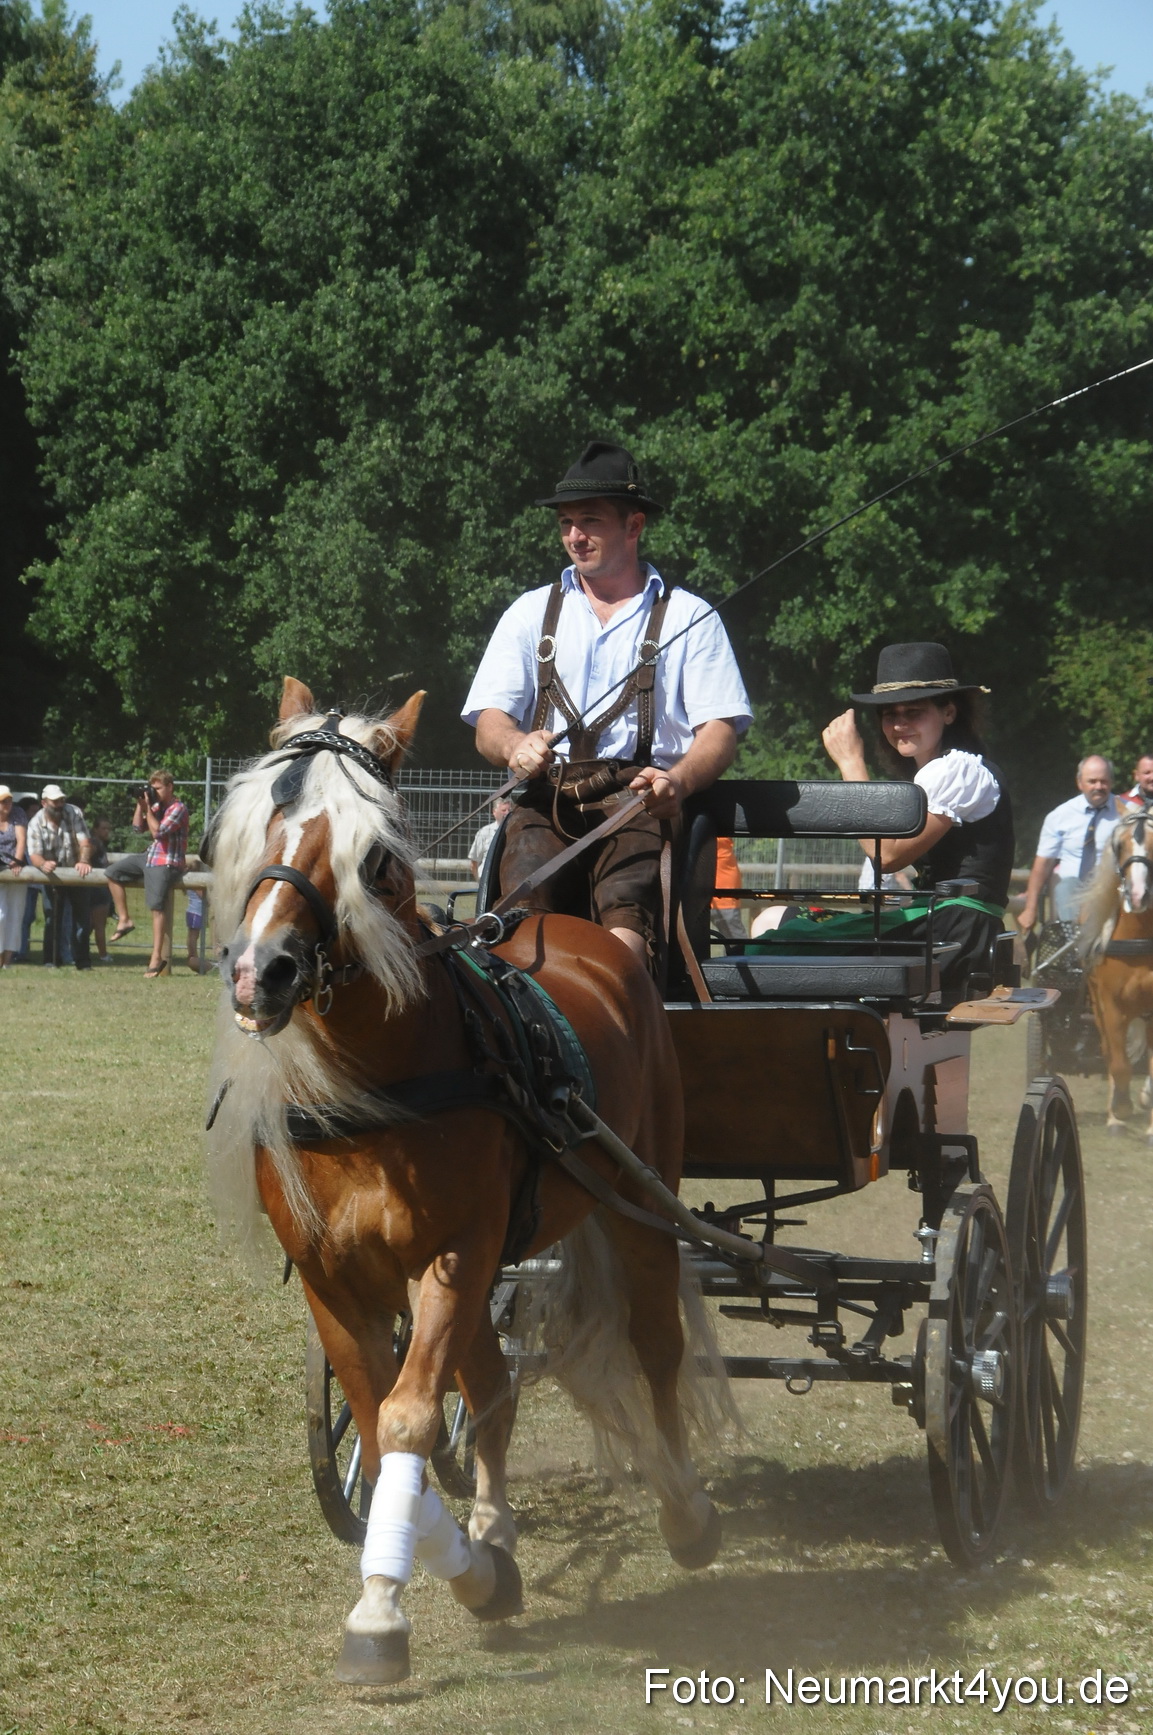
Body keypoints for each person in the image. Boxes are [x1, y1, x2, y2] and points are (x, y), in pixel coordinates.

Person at [462, 441, 751, 969]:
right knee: (522, 914)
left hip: (640, 805)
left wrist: (677, 782)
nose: (574, 535)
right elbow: (488, 721)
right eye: (566, 522)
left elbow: (720, 732)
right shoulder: (530, 614)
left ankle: (622, 1024)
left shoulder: (691, 616)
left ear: (634, 526)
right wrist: (514, 744)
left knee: (628, 913)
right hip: (545, 804)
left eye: (590, 521)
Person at [818, 642, 1014, 993]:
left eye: (914, 712)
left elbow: (887, 857)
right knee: (785, 925)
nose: (900, 724)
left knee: (786, 937)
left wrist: (851, 764)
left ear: (949, 712)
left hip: (955, 933)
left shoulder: (957, 770)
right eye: (890, 714)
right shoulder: (935, 774)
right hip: (946, 925)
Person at [1018, 755, 1126, 929]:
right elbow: (1043, 863)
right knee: (1066, 885)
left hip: (1111, 890)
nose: (1098, 786)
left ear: (1112, 782)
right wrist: (1030, 908)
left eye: (1104, 781)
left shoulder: (1127, 814)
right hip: (1071, 892)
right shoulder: (1060, 816)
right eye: (1092, 781)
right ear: (1080, 782)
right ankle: (1072, 942)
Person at [104, 770, 189, 975]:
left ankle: (156, 956)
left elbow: (158, 832)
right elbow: (136, 828)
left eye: (158, 788)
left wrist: (149, 809)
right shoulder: (156, 805)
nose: (155, 792)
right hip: (150, 856)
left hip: (167, 861)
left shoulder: (178, 808)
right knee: (112, 872)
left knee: (156, 908)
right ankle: (124, 919)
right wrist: (141, 805)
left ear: (170, 787)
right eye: (153, 788)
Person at [26, 784, 94, 969]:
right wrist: (43, 864)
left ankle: (83, 961)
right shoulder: (35, 824)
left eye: (62, 800)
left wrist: (84, 861)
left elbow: (85, 842)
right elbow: (34, 855)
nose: (60, 804)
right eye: (55, 801)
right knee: (52, 918)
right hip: (52, 875)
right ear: (44, 803)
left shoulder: (74, 813)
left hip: (76, 872)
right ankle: (51, 960)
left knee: (82, 919)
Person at [0, 785, 28, 969]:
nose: (7, 804)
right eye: (3, 801)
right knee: (0, 915)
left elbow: (21, 839)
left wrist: (17, 860)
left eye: (8, 799)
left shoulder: (18, 813)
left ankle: (8, 960)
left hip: (16, 868)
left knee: (15, 914)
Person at [85, 815, 115, 962]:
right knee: (99, 924)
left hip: (97, 887)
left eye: (108, 828)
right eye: (103, 828)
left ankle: (82, 949)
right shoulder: (94, 842)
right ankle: (103, 954)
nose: (106, 831)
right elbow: (86, 855)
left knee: (91, 924)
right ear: (95, 829)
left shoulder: (100, 843)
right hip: (97, 888)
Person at [467, 798, 512, 880]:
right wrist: (479, 884)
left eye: (509, 810)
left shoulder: (516, 833)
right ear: (494, 812)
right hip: (487, 879)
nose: (507, 813)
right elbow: (474, 862)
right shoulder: (484, 832)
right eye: (504, 810)